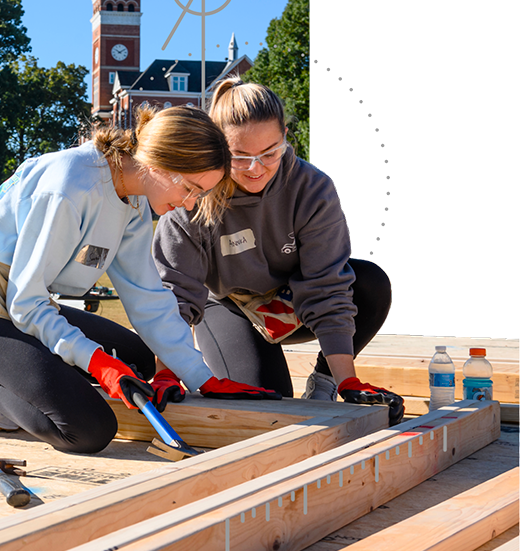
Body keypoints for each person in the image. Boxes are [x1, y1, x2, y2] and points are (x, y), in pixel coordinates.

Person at [0, 105, 280, 455]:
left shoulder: (133, 198)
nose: (189, 204)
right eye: (191, 189)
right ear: (161, 164)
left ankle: (15, 374)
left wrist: (203, 377)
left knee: (137, 360)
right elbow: (27, 304)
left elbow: (148, 298)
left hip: (19, 302)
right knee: (86, 430)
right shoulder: (70, 187)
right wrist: (97, 363)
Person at [152, 78, 404, 425]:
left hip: (292, 301)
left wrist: (347, 380)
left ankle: (324, 382)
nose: (256, 169)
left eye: (270, 153)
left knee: (370, 283)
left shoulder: (312, 189)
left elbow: (327, 287)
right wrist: (167, 372)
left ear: (285, 134)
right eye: (240, 157)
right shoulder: (191, 199)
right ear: (219, 148)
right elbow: (175, 297)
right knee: (271, 408)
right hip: (227, 306)